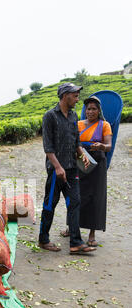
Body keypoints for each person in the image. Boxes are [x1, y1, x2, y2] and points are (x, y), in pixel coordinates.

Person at [38, 83, 97, 255]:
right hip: (56, 170)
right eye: (75, 96)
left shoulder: (73, 116)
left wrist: (82, 155)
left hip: (72, 168)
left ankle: (75, 243)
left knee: (75, 202)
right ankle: (43, 239)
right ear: (65, 96)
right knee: (51, 203)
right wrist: (57, 167)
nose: (78, 100)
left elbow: (76, 140)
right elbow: (48, 147)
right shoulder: (50, 116)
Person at [61, 96, 112, 246]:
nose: (90, 111)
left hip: (97, 164)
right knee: (75, 195)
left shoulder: (104, 125)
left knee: (95, 197)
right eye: (88, 108)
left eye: (94, 109)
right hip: (79, 161)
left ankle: (92, 234)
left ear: (99, 110)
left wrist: (102, 146)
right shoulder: (78, 124)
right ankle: (71, 228)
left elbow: (108, 145)